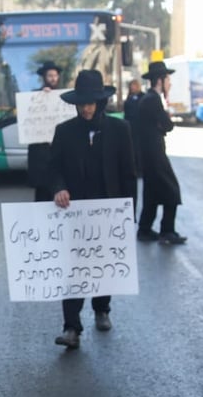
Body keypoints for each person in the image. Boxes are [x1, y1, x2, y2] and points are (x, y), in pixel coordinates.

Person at [48, 69, 137, 350]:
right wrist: (58, 188)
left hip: (108, 210)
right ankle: (71, 327)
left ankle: (102, 308)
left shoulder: (120, 130)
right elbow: (53, 168)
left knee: (103, 264)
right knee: (73, 268)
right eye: (81, 103)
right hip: (74, 211)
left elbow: (128, 174)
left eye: (90, 103)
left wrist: (128, 213)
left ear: (100, 102)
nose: (86, 108)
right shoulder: (64, 131)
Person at [133, 61, 186, 245]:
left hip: (149, 153)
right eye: (167, 80)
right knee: (172, 191)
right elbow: (168, 125)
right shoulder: (153, 99)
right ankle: (167, 230)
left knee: (152, 193)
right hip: (154, 154)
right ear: (159, 81)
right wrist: (164, 122)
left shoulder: (149, 99)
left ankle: (145, 229)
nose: (169, 84)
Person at [27, 60, 63, 203]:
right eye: (50, 76)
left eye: (55, 75)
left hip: (59, 150)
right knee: (42, 193)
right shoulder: (34, 97)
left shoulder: (64, 97)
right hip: (41, 153)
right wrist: (41, 96)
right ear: (44, 78)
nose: (53, 78)